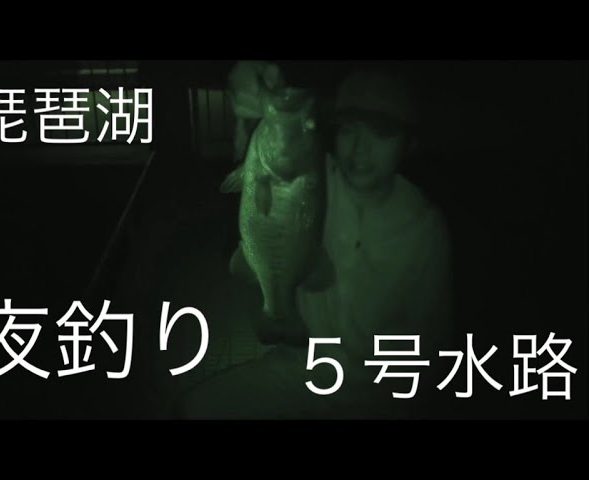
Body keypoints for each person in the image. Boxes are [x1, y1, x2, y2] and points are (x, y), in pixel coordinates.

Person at [180, 61, 454, 419]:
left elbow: (433, 345)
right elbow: (273, 153)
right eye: (348, 130)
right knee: (192, 411)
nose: (359, 149)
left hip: (381, 397)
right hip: (300, 370)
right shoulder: (313, 174)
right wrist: (250, 92)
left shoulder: (426, 231)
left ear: (409, 143)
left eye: (381, 133)